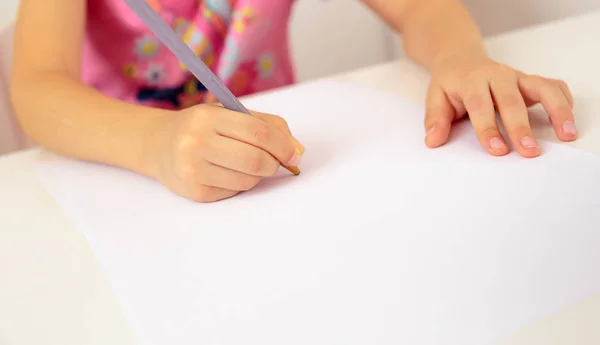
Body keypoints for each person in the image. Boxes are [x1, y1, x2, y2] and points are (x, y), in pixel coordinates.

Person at [10, 0, 577, 202]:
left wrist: (459, 56)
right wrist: (155, 145)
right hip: (118, 172)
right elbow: (36, 87)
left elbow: (420, 7)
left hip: (273, 172)